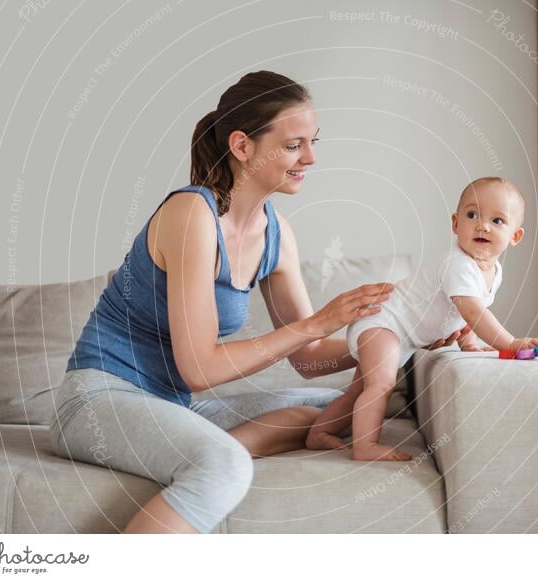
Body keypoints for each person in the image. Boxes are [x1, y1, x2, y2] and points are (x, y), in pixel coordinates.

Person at [48, 71, 460, 534]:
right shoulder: (191, 215)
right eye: (293, 145)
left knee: (337, 407)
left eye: (313, 141)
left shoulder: (277, 237)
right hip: (100, 401)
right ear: (242, 146)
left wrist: (400, 328)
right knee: (225, 467)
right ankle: (214, 455)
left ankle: (204, 446)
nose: (310, 157)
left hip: (173, 408)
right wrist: (316, 322)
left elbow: (308, 361)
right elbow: (199, 370)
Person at [306, 177, 538, 461]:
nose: (482, 225)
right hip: (384, 323)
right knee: (381, 386)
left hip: (400, 336)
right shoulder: (457, 264)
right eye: (473, 215)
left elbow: (466, 314)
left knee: (357, 392)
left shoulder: (492, 272)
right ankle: (365, 447)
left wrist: (468, 344)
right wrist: (510, 343)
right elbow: (473, 310)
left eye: (497, 221)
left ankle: (319, 434)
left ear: (515, 236)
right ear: (455, 223)